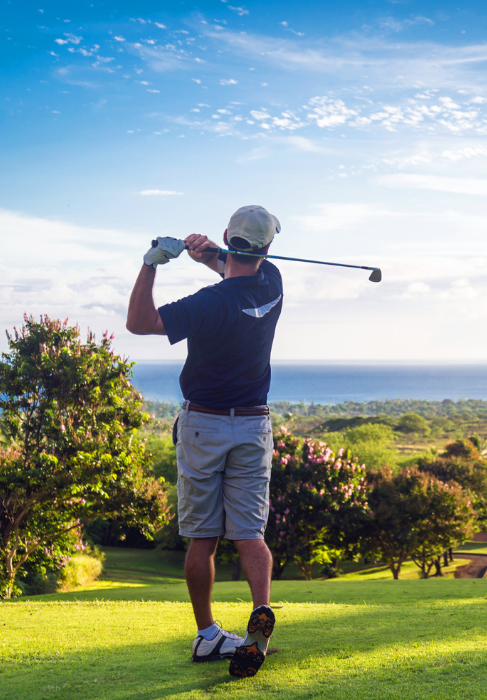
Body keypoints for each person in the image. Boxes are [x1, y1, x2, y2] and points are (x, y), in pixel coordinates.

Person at [126, 205, 283, 678]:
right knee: (249, 534)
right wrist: (207, 255)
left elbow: (139, 322)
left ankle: (208, 636)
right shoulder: (273, 282)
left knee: (203, 537)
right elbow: (234, 266)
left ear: (227, 236)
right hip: (254, 425)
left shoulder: (207, 304)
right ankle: (260, 617)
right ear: (268, 248)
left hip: (204, 425)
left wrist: (152, 261)